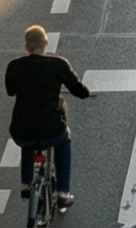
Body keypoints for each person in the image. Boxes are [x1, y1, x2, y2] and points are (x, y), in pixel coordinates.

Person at [6, 24, 89, 213]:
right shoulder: (58, 64)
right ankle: (62, 193)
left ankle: (26, 184)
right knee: (64, 140)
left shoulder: (14, 66)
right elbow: (78, 89)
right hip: (52, 129)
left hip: (21, 130)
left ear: (26, 47)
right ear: (46, 43)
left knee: (28, 139)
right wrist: (86, 93)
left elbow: (10, 91)